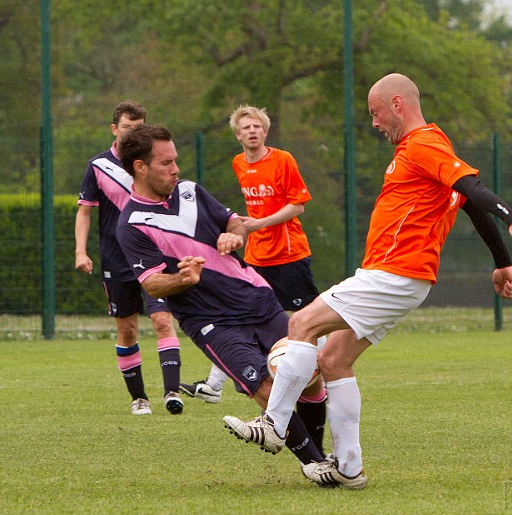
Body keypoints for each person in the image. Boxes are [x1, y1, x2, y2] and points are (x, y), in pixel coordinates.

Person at [222, 73, 512, 489]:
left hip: (394, 273)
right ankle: (349, 468)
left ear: (397, 104)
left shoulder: (424, 144)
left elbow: (472, 188)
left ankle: (274, 423)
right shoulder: (434, 145)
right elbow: (466, 200)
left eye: (375, 113)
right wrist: (502, 260)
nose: (374, 123)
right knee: (334, 361)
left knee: (301, 325)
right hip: (400, 277)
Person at [114, 124, 331, 478]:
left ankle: (322, 455)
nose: (175, 169)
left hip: (257, 298)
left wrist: (233, 236)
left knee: (309, 375)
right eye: (166, 163)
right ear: (140, 167)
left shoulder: (190, 192)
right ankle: (314, 464)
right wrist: (182, 278)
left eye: (176, 161)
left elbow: (234, 222)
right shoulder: (132, 223)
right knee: (265, 386)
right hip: (212, 323)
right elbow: (151, 284)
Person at [180, 105, 320, 423]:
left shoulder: (282, 159)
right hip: (257, 256)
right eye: (246, 127)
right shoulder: (239, 163)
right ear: (238, 134)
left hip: (289, 255)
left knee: (309, 319)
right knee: (240, 316)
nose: (252, 131)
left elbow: (297, 206)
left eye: (257, 126)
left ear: (265, 131)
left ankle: (324, 370)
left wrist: (258, 223)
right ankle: (214, 385)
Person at [75, 100, 184, 417]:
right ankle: (139, 398)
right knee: (128, 331)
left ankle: (172, 393)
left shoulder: (154, 165)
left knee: (163, 321)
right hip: (116, 259)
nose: (132, 135)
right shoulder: (98, 166)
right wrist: (81, 252)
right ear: (115, 130)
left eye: (139, 130)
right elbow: (84, 212)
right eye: (127, 129)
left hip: (153, 256)